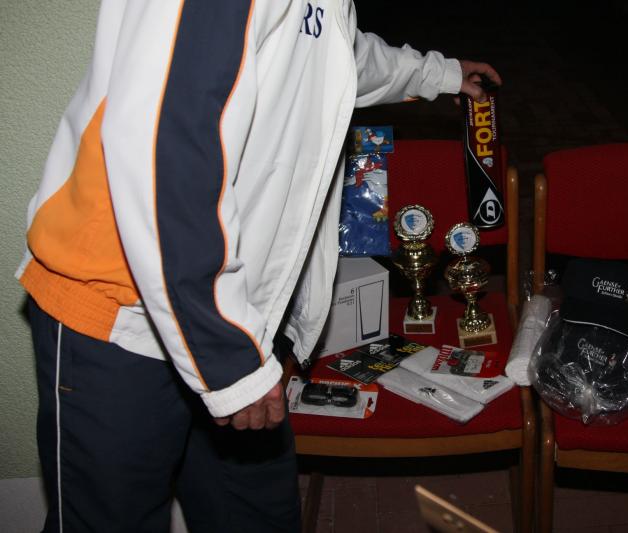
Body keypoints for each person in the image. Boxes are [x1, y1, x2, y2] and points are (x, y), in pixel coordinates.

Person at [16, 1, 502, 531]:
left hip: (233, 312)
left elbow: (333, 52)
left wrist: (439, 74)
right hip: (122, 318)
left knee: (258, 515)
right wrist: (230, 361)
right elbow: (166, 149)